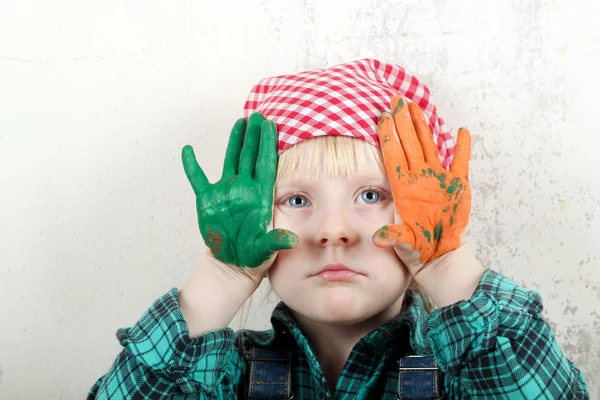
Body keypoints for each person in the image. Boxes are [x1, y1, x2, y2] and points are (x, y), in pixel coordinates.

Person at [88, 59, 589, 399]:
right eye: (297, 199)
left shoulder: (471, 375)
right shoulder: (222, 378)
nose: (333, 231)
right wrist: (223, 276)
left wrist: (443, 261)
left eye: (372, 196)